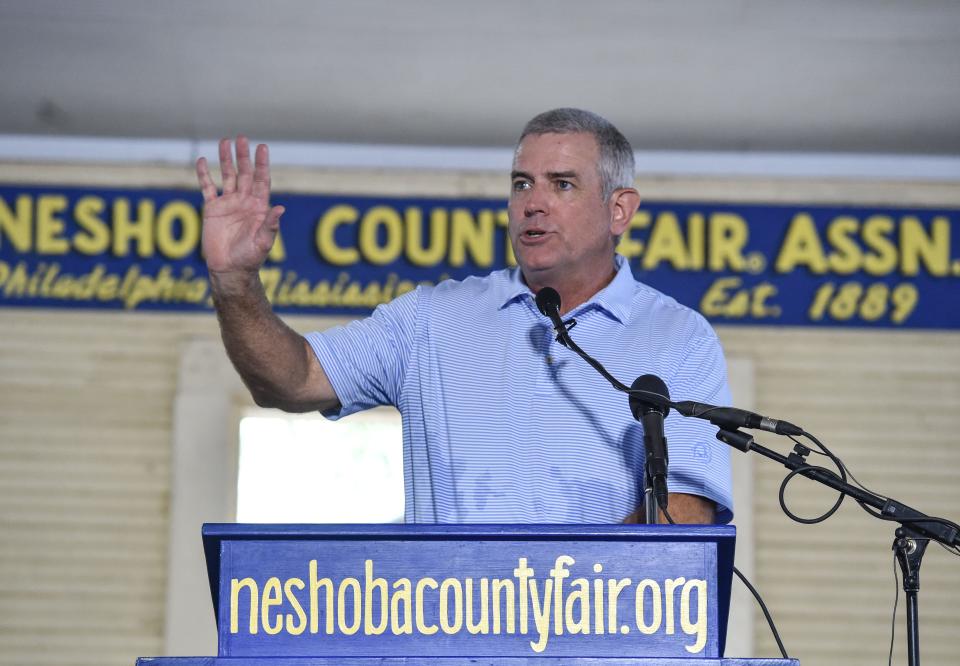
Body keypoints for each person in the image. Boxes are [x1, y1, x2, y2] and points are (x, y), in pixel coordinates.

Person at [196, 108, 733, 525]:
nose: (533, 203)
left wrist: (555, 594)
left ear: (620, 210)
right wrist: (234, 280)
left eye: (561, 184)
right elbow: (290, 379)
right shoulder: (431, 321)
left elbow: (683, 515)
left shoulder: (678, 338)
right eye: (522, 183)